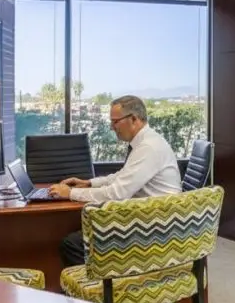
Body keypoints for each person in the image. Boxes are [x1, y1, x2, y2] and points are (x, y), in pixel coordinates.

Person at [53, 95, 182, 267]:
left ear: (134, 119)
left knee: (72, 243)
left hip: (155, 229)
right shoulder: (146, 142)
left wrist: (71, 193)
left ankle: (98, 291)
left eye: (115, 122)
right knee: (83, 231)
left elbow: (118, 193)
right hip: (152, 220)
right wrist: (90, 183)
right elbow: (122, 176)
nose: (112, 127)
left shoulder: (148, 147)